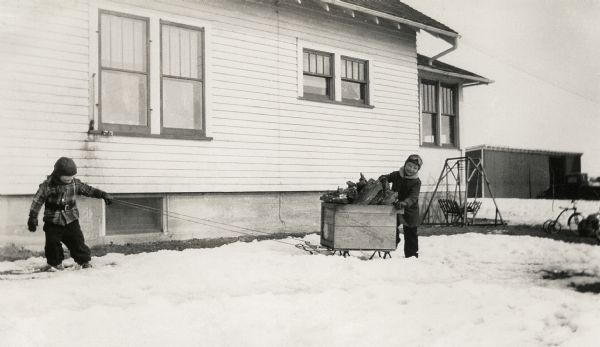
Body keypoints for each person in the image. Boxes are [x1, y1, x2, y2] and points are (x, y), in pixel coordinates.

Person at [27, 157, 114, 271]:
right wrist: (32, 217)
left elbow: (88, 190)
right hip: (53, 220)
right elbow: (37, 201)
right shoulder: (47, 186)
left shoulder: (75, 183)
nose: (70, 179)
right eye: (67, 177)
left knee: (77, 241)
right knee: (52, 244)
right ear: (58, 174)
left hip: (71, 219)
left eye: (72, 176)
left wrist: (103, 195)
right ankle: (55, 264)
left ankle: (84, 262)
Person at [379, 154, 422, 258]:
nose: (411, 169)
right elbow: (387, 177)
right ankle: (395, 240)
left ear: (417, 170)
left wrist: (405, 202)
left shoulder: (416, 182)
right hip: (395, 207)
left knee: (410, 232)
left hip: (409, 209)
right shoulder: (397, 174)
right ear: (405, 164)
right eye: (409, 165)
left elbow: (413, 196)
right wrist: (383, 178)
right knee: (391, 226)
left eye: (415, 168)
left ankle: (411, 254)